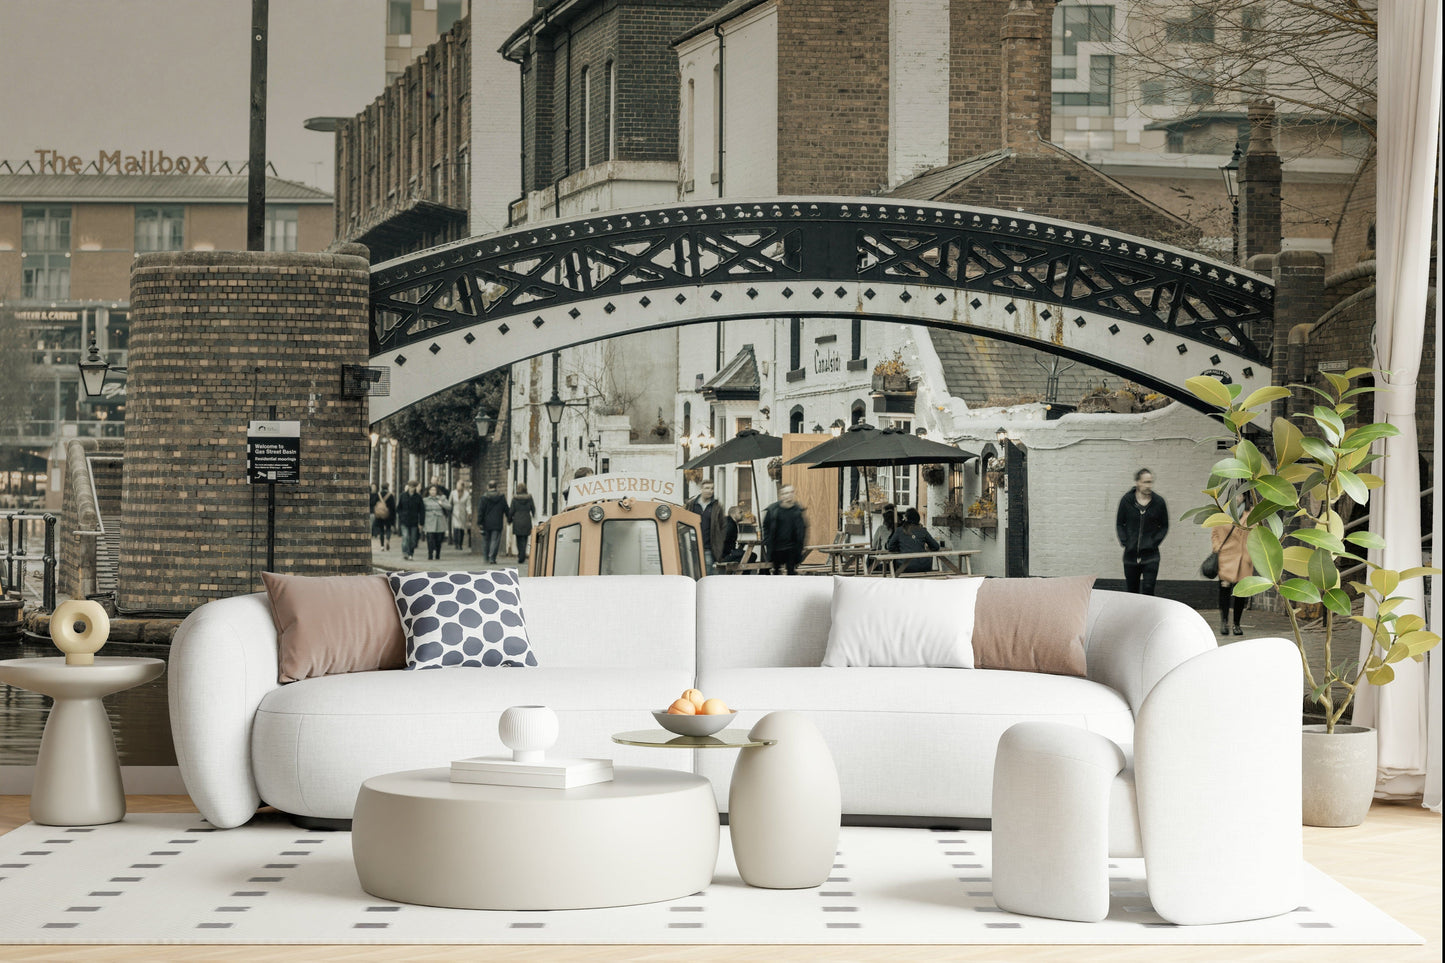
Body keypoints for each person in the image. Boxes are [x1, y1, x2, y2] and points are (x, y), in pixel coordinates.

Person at [1116, 468, 1169, 595]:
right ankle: (1133, 615)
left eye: (1150, 482)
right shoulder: (1126, 501)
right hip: (1130, 555)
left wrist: (1153, 542)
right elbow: (1119, 524)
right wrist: (1126, 542)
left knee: (1148, 589)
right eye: (1145, 482)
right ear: (1137, 482)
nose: (1148, 486)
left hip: (1151, 556)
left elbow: (1164, 526)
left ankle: (1147, 615)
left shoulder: (1159, 502)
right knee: (1132, 591)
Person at [762, 484, 807, 575]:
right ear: (781, 495)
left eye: (791, 492)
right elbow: (766, 526)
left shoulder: (797, 510)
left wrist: (801, 545)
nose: (789, 495)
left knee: (791, 572)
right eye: (786, 493)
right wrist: (768, 541)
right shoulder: (773, 510)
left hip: (792, 548)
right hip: (776, 548)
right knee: (776, 572)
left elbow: (802, 529)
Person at [685, 479, 727, 575]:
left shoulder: (716, 507)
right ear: (701, 489)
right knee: (692, 572)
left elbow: (723, 526)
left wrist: (719, 542)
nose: (710, 491)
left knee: (707, 573)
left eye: (712, 488)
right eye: (707, 488)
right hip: (692, 546)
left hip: (708, 547)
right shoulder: (692, 505)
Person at [886, 507, 940, 573]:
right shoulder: (923, 531)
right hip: (924, 566)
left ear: (906, 518)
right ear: (918, 519)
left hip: (905, 567)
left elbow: (890, 547)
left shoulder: (899, 530)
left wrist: (901, 548)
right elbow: (936, 546)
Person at [477, 481, 510, 564]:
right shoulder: (501, 497)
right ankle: (492, 557)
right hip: (497, 522)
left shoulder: (484, 498)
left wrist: (479, 522)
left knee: (486, 540)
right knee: (495, 540)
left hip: (486, 523)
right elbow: (506, 509)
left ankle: (486, 557)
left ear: (488, 487)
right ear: (496, 487)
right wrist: (509, 518)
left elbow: (481, 511)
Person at [509, 482, 537, 568]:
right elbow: (533, 508)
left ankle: (521, 555)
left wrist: (509, 520)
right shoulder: (529, 498)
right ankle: (523, 555)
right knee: (525, 539)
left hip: (517, 520)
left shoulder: (515, 499)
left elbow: (511, 510)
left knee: (518, 539)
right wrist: (533, 515)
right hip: (526, 519)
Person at [396, 480, 425, 561]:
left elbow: (422, 511)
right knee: (405, 537)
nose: (411, 489)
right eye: (410, 486)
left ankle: (410, 553)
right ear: (408, 486)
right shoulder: (403, 496)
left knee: (413, 539)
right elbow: (398, 508)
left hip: (414, 521)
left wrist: (421, 522)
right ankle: (405, 553)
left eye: (413, 487)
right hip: (404, 520)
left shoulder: (418, 497)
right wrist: (401, 516)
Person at [422, 484, 451, 561]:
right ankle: (430, 554)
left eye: (434, 490)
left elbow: (449, 507)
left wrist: (442, 504)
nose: (433, 492)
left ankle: (438, 554)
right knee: (430, 539)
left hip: (440, 521)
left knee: (439, 539)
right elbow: (421, 510)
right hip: (429, 521)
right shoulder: (425, 500)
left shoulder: (442, 498)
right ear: (428, 491)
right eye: (431, 490)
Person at [449, 481, 472, 551]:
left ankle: (460, 544)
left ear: (463, 487)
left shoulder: (467, 494)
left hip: (463, 512)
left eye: (459, 486)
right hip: (455, 512)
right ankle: (456, 543)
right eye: (457, 486)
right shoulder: (453, 493)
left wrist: (469, 512)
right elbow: (450, 502)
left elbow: (468, 504)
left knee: (461, 528)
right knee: (456, 527)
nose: (458, 488)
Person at [375, 483, 395, 551]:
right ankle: (388, 540)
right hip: (388, 515)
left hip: (379, 515)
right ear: (388, 487)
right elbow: (393, 507)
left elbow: (374, 504)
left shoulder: (378, 494)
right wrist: (393, 518)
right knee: (388, 528)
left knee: (381, 530)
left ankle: (382, 546)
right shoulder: (390, 495)